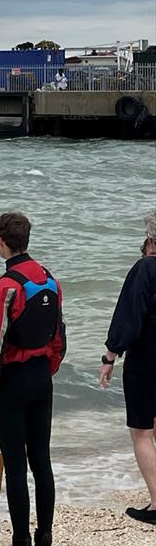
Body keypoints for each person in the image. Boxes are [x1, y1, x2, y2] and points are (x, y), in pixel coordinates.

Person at [0, 212, 66, 546]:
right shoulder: (50, 280)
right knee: (42, 461)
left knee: (16, 465)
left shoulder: (3, 288)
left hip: (13, 381)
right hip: (42, 378)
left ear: (0, 241)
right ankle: (46, 545)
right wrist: (48, 367)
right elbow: (59, 334)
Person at [99, 210, 156, 525]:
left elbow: (128, 318)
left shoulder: (146, 269)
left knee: (142, 431)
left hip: (147, 358)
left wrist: (110, 356)